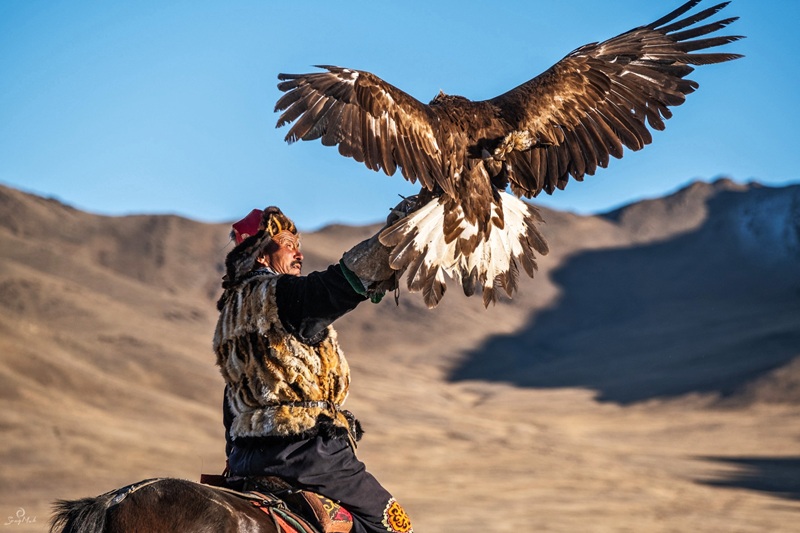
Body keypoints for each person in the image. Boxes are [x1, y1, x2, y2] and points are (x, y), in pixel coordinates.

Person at [213, 205, 413, 533]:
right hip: (307, 452)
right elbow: (334, 288)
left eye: (299, 245)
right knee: (395, 527)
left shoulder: (231, 316)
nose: (299, 253)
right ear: (261, 255)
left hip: (247, 458)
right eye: (288, 244)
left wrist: (234, 461)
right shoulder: (278, 297)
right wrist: (392, 243)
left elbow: (233, 399)